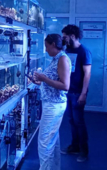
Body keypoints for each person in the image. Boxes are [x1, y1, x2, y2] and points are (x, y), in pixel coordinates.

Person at [30, 34, 71, 170]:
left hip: (54, 105)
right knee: (53, 141)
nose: (46, 50)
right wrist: (40, 81)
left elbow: (65, 85)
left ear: (53, 44)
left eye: (47, 47)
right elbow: (53, 79)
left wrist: (44, 79)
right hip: (51, 104)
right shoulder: (56, 59)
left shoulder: (62, 59)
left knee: (44, 143)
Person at [61, 24, 92, 162]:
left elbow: (87, 74)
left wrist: (83, 93)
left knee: (79, 121)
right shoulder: (67, 50)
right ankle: (75, 146)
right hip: (68, 91)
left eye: (65, 37)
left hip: (78, 92)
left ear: (73, 36)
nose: (64, 40)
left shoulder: (84, 51)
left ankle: (84, 151)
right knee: (71, 121)